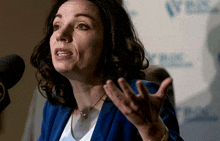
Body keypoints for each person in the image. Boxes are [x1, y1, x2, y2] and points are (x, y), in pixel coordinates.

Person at [30, 0, 183, 140]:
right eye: (57, 26)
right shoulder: (56, 107)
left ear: (110, 41)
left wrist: (153, 132)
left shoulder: (138, 97)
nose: (61, 35)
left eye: (81, 26)